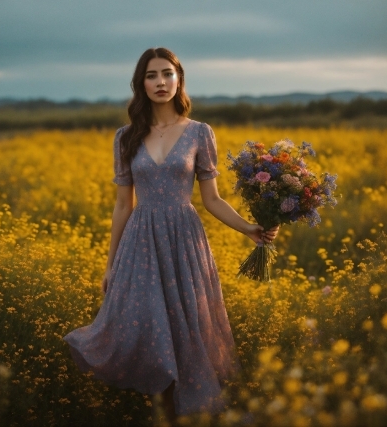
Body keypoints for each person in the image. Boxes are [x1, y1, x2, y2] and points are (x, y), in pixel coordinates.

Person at [63, 47, 279, 421]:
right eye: (151, 75)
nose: (160, 82)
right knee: (150, 336)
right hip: (139, 245)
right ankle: (163, 416)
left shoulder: (199, 132)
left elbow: (212, 199)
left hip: (185, 244)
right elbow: (122, 206)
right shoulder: (125, 137)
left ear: (179, 79)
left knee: (186, 335)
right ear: (140, 83)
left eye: (167, 73)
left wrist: (250, 229)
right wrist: (110, 265)